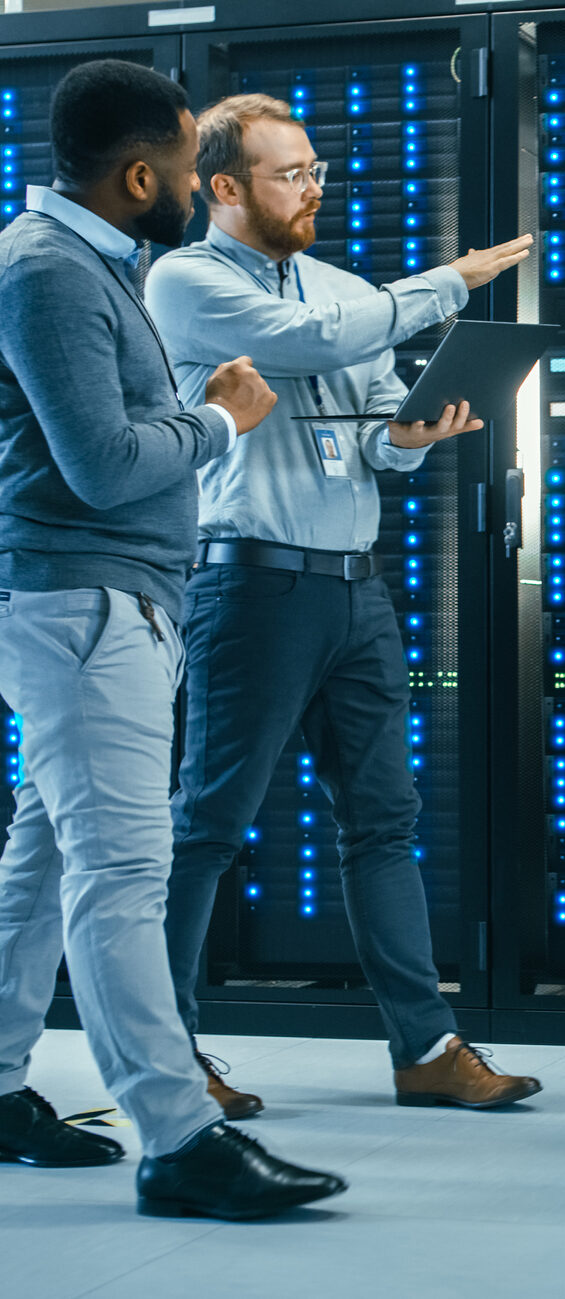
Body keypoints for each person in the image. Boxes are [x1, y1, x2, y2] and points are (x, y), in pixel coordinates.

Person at [145, 93, 539, 1115]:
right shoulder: (186, 281)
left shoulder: (338, 286)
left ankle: (427, 1050)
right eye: (291, 174)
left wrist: (404, 440)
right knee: (209, 825)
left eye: (317, 170)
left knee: (383, 822)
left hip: (355, 591)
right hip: (249, 585)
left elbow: (363, 414)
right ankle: (170, 1053)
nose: (312, 187)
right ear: (225, 188)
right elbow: (318, 344)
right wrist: (448, 283)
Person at [0, 60, 344, 1219]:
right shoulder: (49, 273)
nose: (201, 189)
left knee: (45, 863)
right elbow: (104, 468)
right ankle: (178, 1136)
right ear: (137, 172)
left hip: (98, 602)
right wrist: (216, 418)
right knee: (121, 876)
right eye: (193, 167)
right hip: (84, 603)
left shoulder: (97, 265)